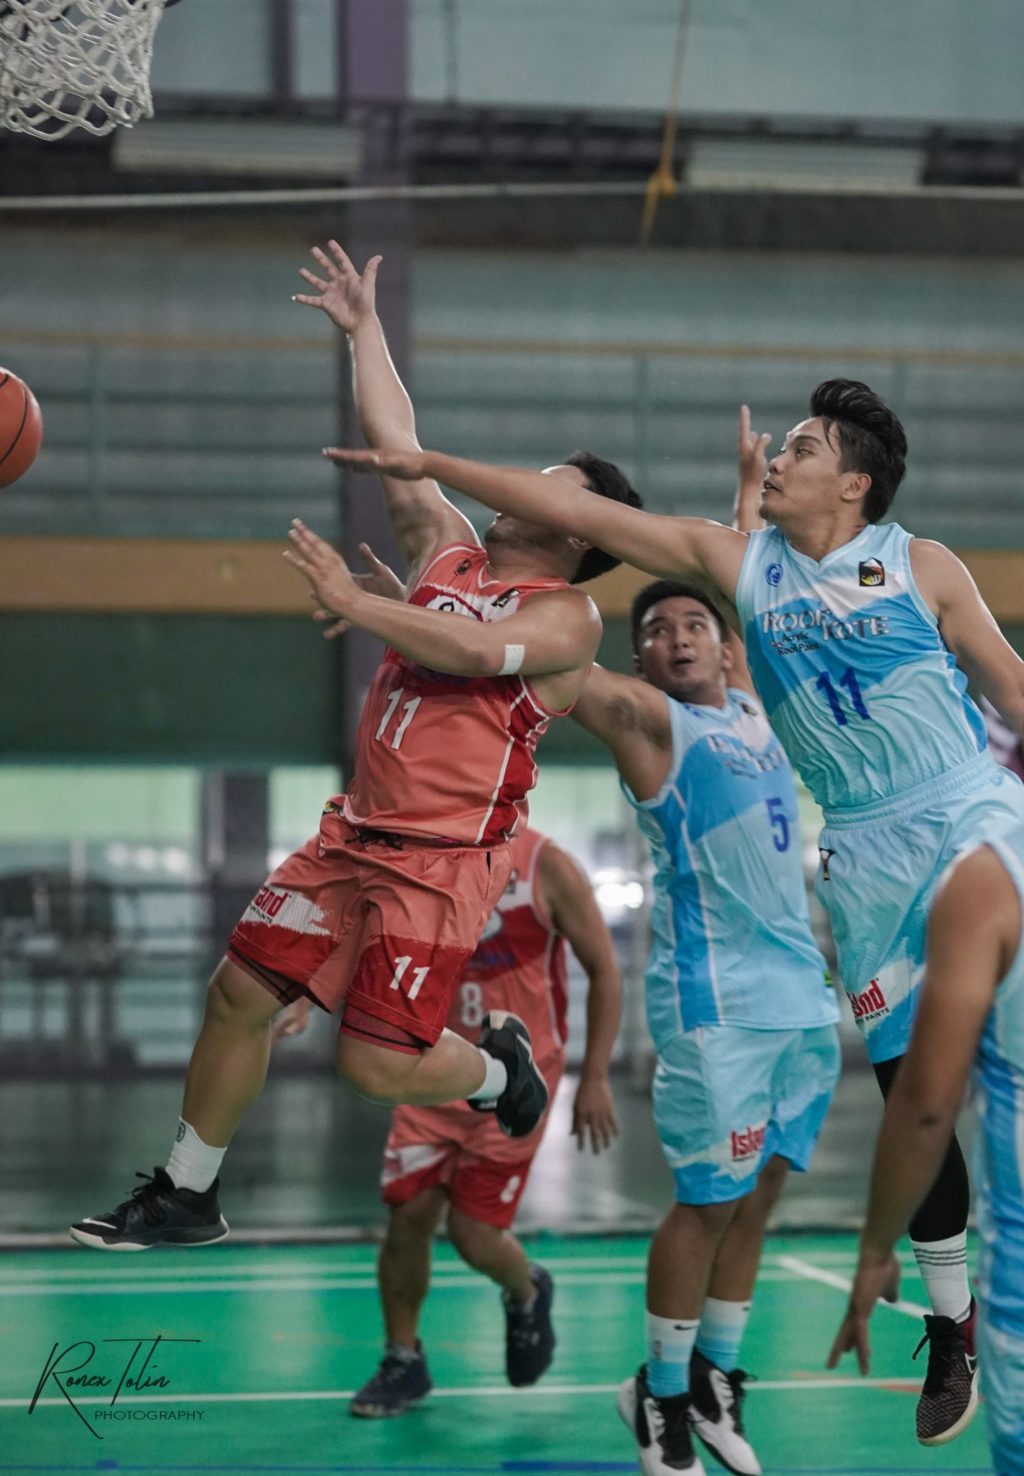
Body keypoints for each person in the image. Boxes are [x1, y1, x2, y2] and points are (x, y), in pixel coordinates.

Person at [324, 381, 1024, 1442]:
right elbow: (586, 518)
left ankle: (917, 1322)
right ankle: (953, 1317)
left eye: (803, 444)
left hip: (968, 813)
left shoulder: (923, 566)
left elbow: (1012, 690)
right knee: (909, 1102)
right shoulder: (736, 570)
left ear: (854, 481)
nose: (779, 454)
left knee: (990, 1069)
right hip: (864, 858)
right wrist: (428, 468)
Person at [68, 243, 640, 1254]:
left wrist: (356, 604)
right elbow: (400, 444)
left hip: (439, 864)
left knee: (373, 1067)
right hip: (354, 835)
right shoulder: (452, 549)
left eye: (547, 486)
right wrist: (361, 328)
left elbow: (466, 647)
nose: (518, 486)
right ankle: (187, 1191)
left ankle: (501, 1067)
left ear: (578, 532)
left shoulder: (565, 623)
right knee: (238, 993)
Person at [574, 580, 839, 1476]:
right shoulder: (653, 726)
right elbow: (554, 667)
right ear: (641, 659)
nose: (679, 640)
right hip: (715, 1006)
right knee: (708, 1201)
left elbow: (740, 587)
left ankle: (714, 1376)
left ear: (728, 648)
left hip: (801, 997)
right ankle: (658, 1393)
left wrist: (745, 501)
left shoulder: (755, 712)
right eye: (656, 632)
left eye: (695, 626)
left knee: (762, 1191)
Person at [277, 824, 621, 1415]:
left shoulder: (546, 865)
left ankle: (525, 1289)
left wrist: (594, 1078)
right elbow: (364, 929)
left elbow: (606, 970)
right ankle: (403, 1359)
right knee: (408, 1213)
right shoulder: (423, 855)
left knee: (472, 1234)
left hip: (519, 1079)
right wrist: (311, 993)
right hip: (432, 1068)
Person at [827, 826, 1024, 1473]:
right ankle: (953, 1321)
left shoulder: (987, 885)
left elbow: (926, 1112)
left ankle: (956, 1319)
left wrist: (875, 1248)